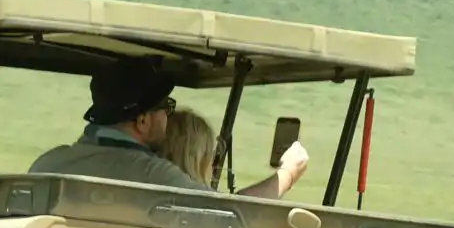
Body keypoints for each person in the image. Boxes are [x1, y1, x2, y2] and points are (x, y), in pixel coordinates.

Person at [31, 69, 311, 197]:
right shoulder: (152, 175)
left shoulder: (48, 162)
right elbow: (233, 216)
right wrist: (287, 174)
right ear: (142, 121)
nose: (169, 116)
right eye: (166, 107)